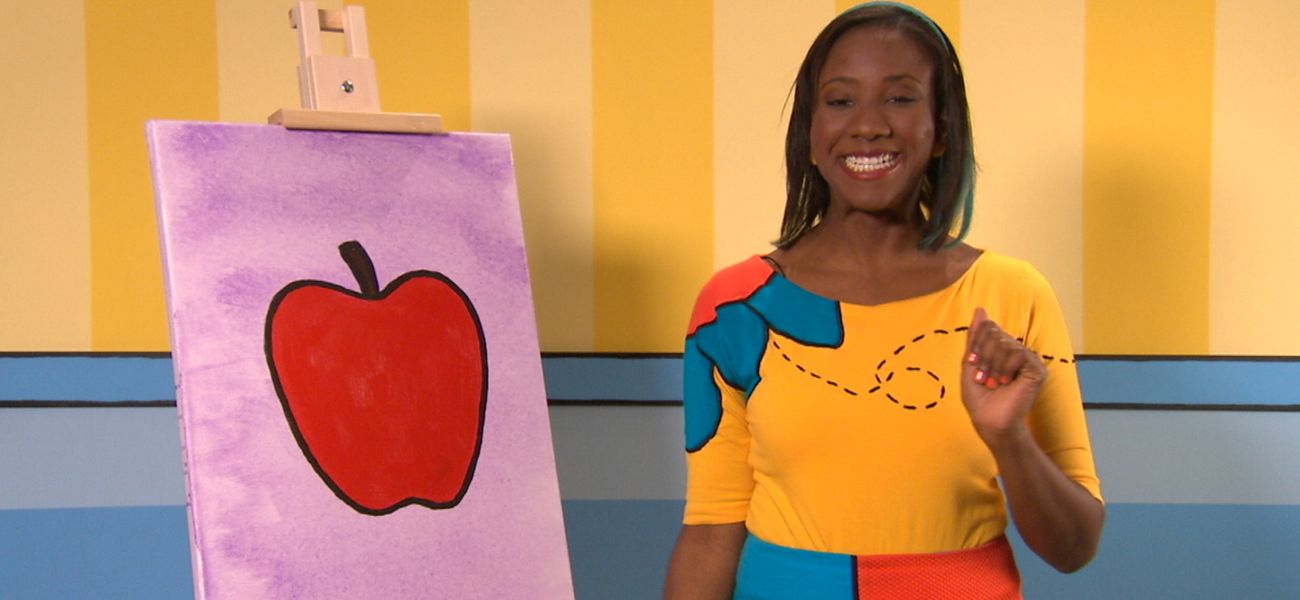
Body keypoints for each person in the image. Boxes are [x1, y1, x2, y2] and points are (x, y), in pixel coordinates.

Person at [663, 3, 1104, 598]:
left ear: (941, 129)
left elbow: (1074, 548)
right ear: (810, 133)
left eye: (899, 98)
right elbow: (711, 536)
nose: (868, 125)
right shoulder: (735, 307)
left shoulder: (1012, 294)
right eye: (841, 100)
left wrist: (1009, 438)